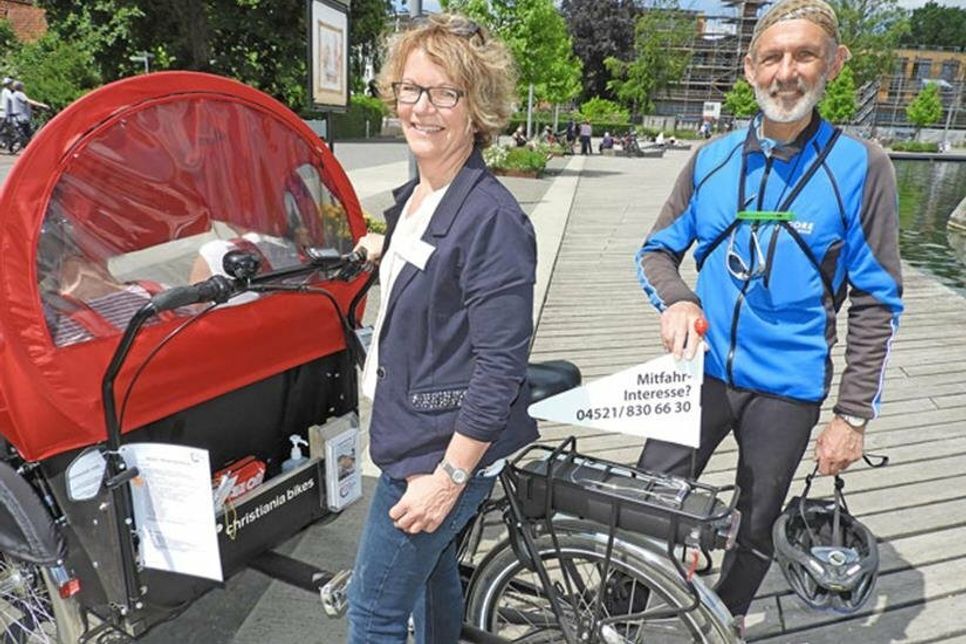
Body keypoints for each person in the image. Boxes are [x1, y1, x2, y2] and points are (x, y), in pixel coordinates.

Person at [633, 0, 903, 632]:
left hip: (787, 385)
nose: (787, 72)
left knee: (756, 526)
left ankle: (718, 623)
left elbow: (876, 301)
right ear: (750, 68)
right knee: (645, 503)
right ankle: (613, 621)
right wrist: (678, 299)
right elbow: (657, 251)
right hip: (700, 370)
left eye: (804, 55)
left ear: (834, 64)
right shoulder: (711, 159)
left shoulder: (863, 168)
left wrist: (853, 416)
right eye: (773, 57)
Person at [347, 13, 537, 643]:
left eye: (444, 93)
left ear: (476, 106)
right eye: (411, 88)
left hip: (437, 452)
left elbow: (499, 368)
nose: (422, 108)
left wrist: (447, 481)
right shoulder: (423, 195)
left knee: (373, 611)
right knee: (431, 582)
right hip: (413, 431)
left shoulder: (492, 220)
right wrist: (381, 250)